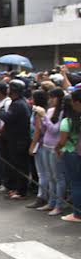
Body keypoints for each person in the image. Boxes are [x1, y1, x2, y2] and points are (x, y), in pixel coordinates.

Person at [39, 89, 67, 216]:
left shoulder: (63, 113)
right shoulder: (50, 111)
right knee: (50, 176)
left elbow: (55, 130)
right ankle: (51, 202)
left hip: (55, 147)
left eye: (53, 98)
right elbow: (45, 129)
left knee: (58, 177)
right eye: (50, 97)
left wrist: (44, 116)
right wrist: (41, 118)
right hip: (45, 145)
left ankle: (59, 205)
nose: (50, 100)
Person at [56, 89, 81, 223]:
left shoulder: (67, 121)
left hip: (72, 153)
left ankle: (77, 214)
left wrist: (57, 148)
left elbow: (62, 141)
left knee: (76, 183)